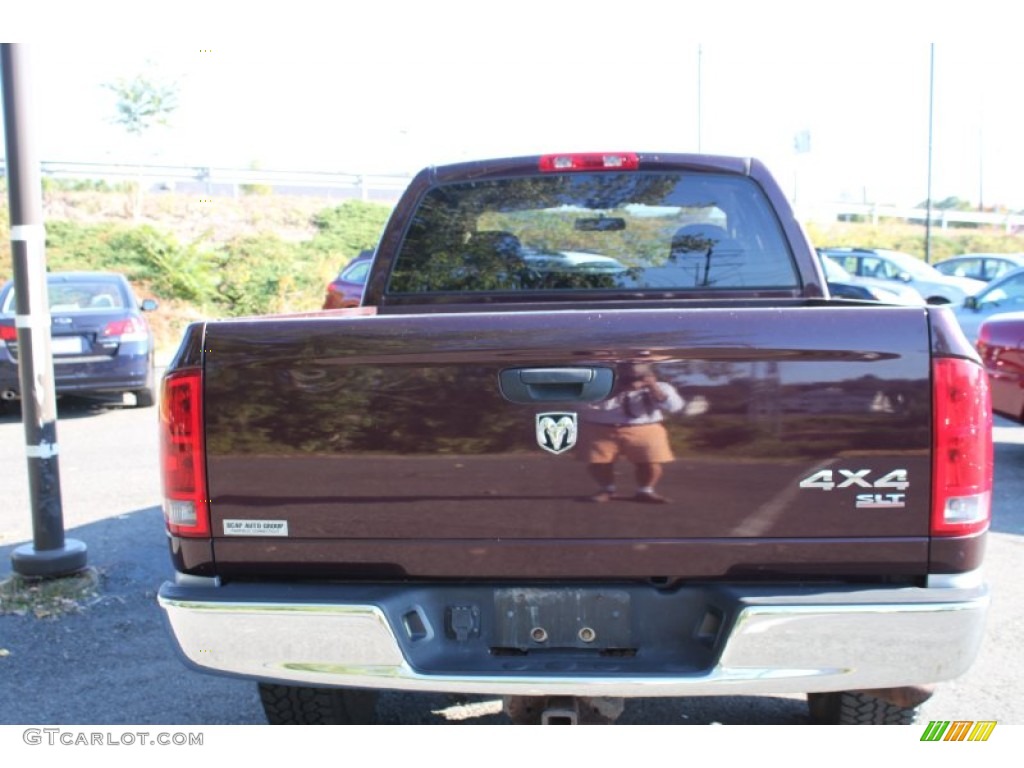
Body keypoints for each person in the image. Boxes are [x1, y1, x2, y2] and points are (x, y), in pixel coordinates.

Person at [580, 362, 684, 503]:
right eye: (628, 376)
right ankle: (606, 490)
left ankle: (646, 491)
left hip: (646, 428)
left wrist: (653, 387)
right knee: (600, 462)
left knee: (650, 462)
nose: (634, 379)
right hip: (600, 428)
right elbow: (585, 404)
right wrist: (618, 390)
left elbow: (674, 407)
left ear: (650, 375)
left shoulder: (662, 387)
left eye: (639, 376)